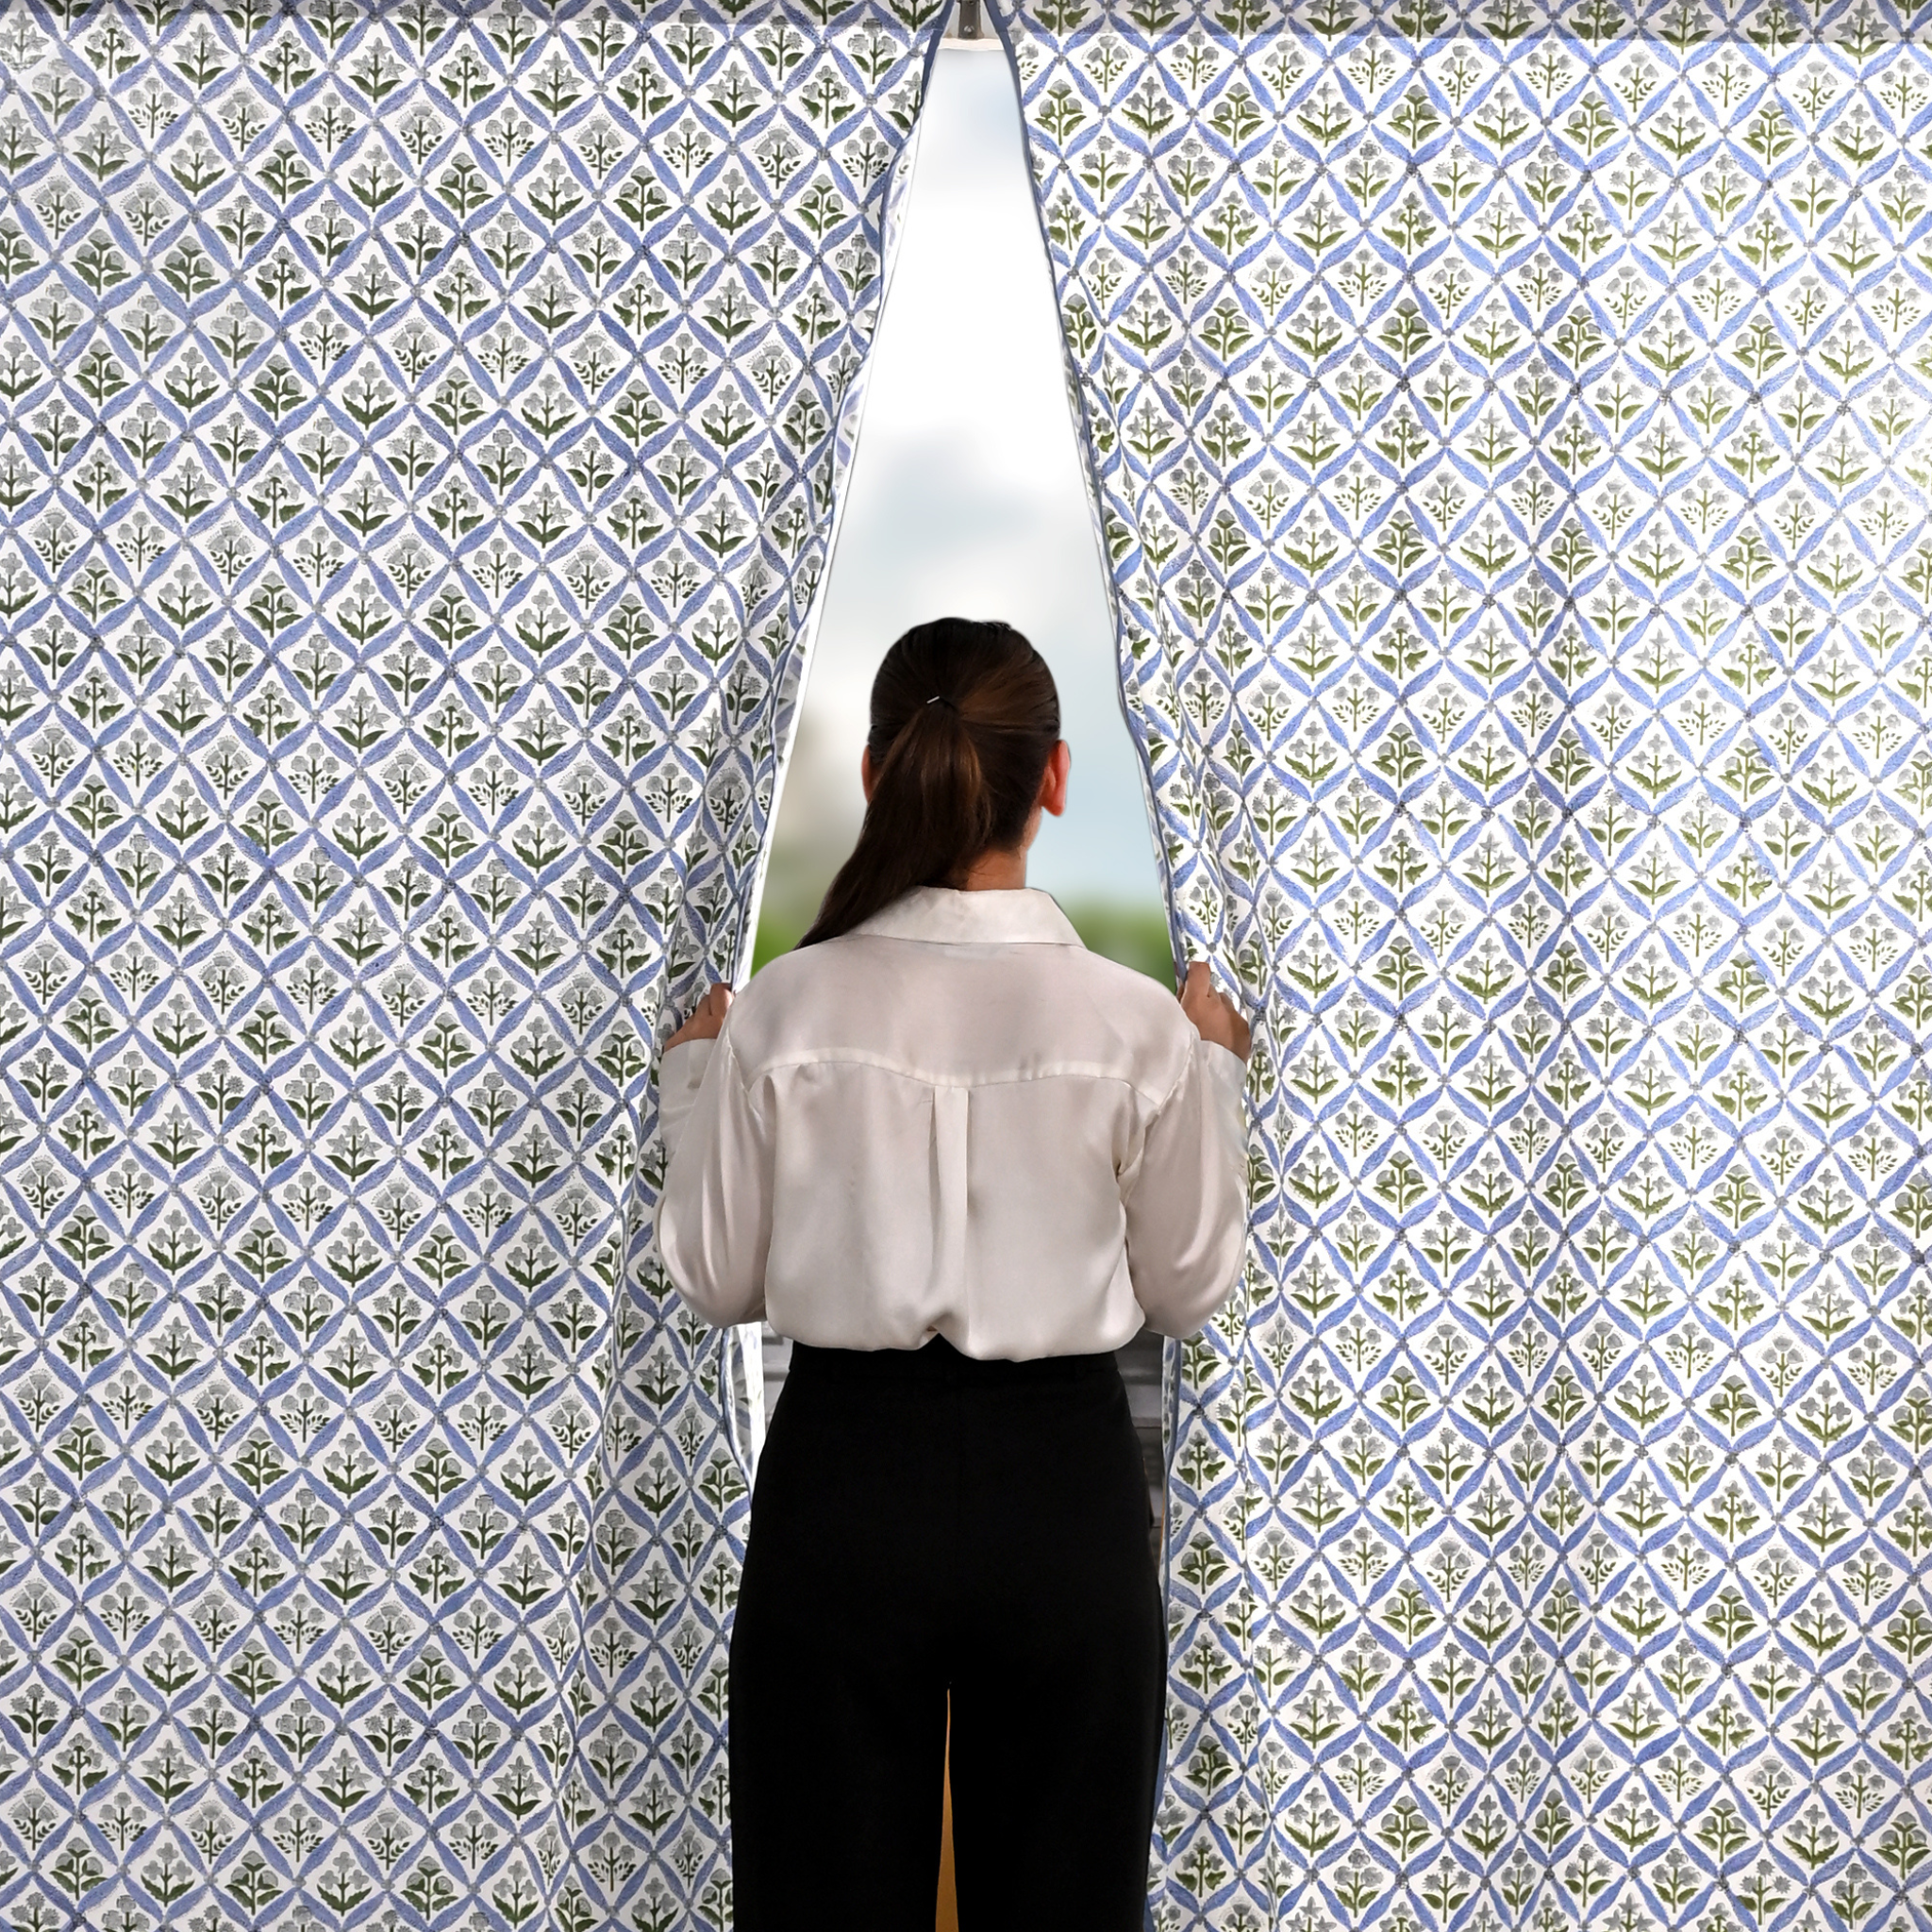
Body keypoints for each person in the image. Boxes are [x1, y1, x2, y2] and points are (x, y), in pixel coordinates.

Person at [655, 616, 1250, 1930]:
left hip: (844, 1490)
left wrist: (694, 1073)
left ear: (878, 775)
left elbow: (713, 1276)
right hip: (1062, 1499)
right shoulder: (1138, 1026)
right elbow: (1191, 1286)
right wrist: (1215, 1067)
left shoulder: (789, 1010)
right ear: (1054, 779)